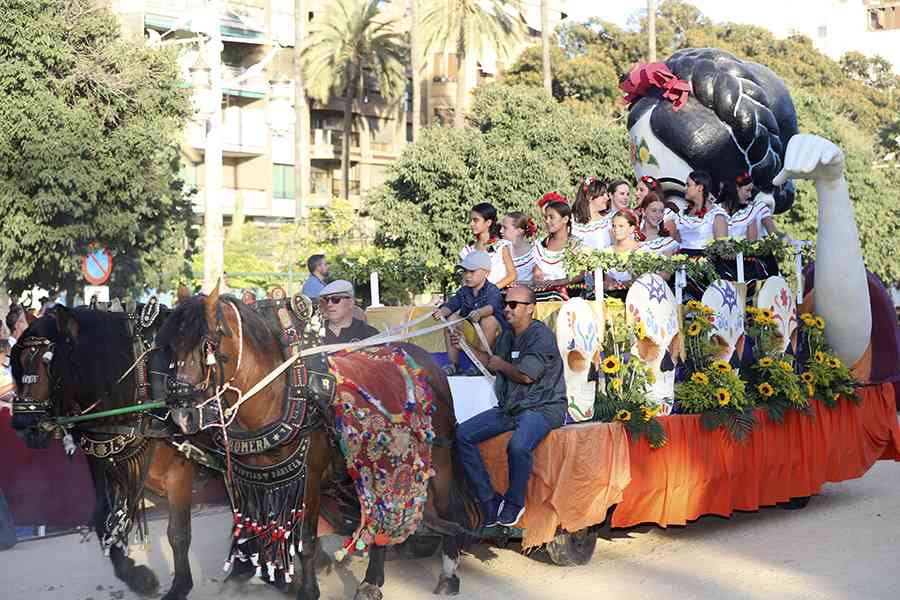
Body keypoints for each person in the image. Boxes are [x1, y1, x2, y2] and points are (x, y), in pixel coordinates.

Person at [453, 285, 567, 528]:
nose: (507, 308)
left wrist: (501, 365)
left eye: (513, 304)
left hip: (543, 407)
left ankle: (515, 502)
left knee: (518, 446)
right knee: (461, 434)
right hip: (511, 408)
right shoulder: (507, 334)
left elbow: (526, 376)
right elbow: (491, 361)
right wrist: (464, 345)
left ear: (531, 308)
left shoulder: (541, 337)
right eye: (505, 303)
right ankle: (488, 499)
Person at [433, 251, 507, 376]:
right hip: (472, 331)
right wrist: (441, 312)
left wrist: (479, 313)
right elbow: (451, 305)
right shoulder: (463, 291)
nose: (467, 275)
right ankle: (453, 364)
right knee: (451, 319)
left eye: (472, 271)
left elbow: (492, 307)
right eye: (465, 271)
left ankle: (481, 364)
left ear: (486, 273)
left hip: (494, 335)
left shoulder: (492, 289)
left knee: (488, 320)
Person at [532, 200, 583, 301]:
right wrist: (539, 282)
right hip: (543, 294)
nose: (547, 221)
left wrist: (556, 283)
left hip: (568, 295)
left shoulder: (575, 244)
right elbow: (536, 274)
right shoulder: (540, 245)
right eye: (546, 217)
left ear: (565, 219)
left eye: (551, 217)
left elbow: (579, 275)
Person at [668, 171, 728, 256]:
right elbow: (676, 240)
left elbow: (722, 249)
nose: (685, 189)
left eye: (688, 185)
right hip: (681, 259)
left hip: (705, 260)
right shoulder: (682, 213)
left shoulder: (716, 215)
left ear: (700, 187)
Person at [459, 203, 516, 289]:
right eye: (470, 220)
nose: (471, 224)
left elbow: (512, 275)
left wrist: (492, 290)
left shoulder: (500, 246)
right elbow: (465, 278)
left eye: (475, 220)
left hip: (497, 293)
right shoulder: (468, 250)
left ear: (488, 222)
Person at [320, 280, 379, 344]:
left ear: (351, 302)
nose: (329, 304)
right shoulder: (314, 332)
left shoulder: (369, 334)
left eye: (336, 299)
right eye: (326, 300)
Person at [605, 210, 643, 292]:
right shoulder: (608, 251)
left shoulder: (640, 250)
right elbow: (607, 280)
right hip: (612, 295)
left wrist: (624, 285)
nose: (616, 229)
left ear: (631, 228)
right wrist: (610, 285)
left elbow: (640, 280)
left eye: (621, 226)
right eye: (614, 226)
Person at [571, 177, 612, 250]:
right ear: (589, 197)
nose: (607, 198)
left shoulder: (608, 220)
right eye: (602, 194)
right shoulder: (572, 222)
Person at [501, 211, 537, 283]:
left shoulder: (535, 254)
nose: (500, 231)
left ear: (519, 231)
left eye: (505, 228)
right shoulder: (500, 251)